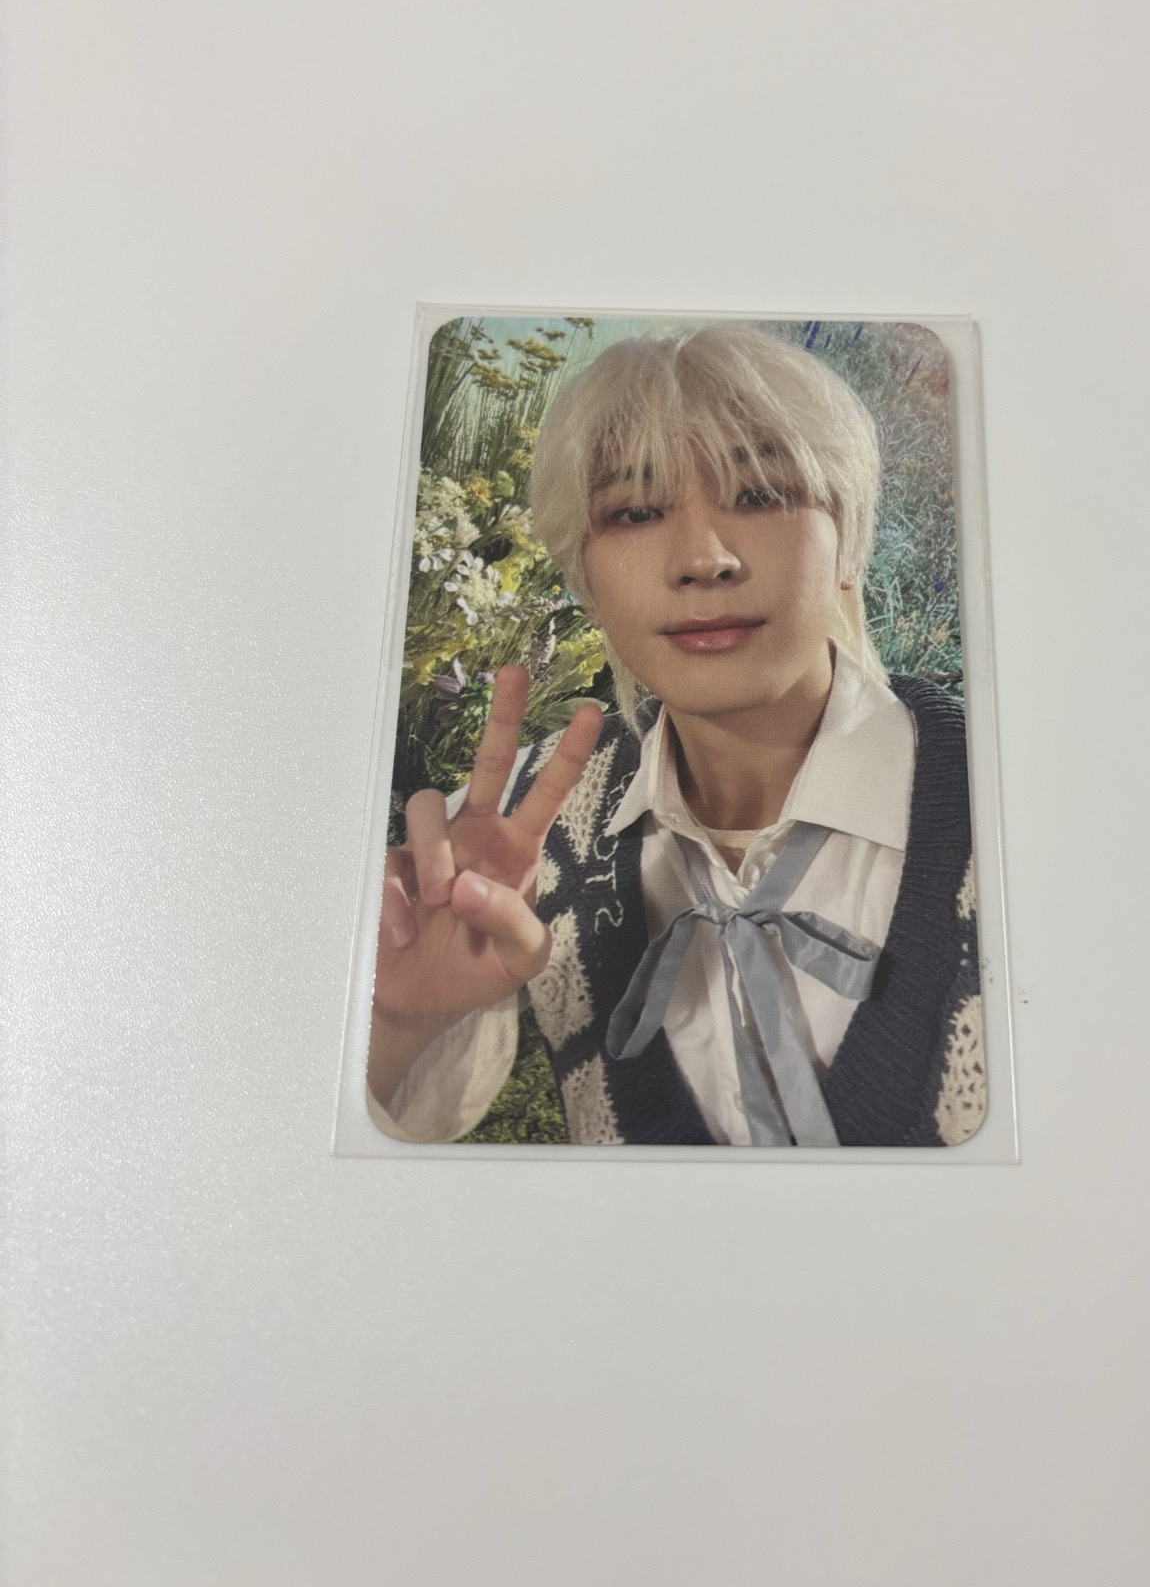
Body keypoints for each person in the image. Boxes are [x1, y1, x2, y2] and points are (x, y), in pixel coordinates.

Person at [367, 324, 985, 1147]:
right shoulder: (506, 841)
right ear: (584, 576)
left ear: (848, 541)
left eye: (760, 495)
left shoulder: (1009, 804)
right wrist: (397, 1022)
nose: (703, 558)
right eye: (635, 512)